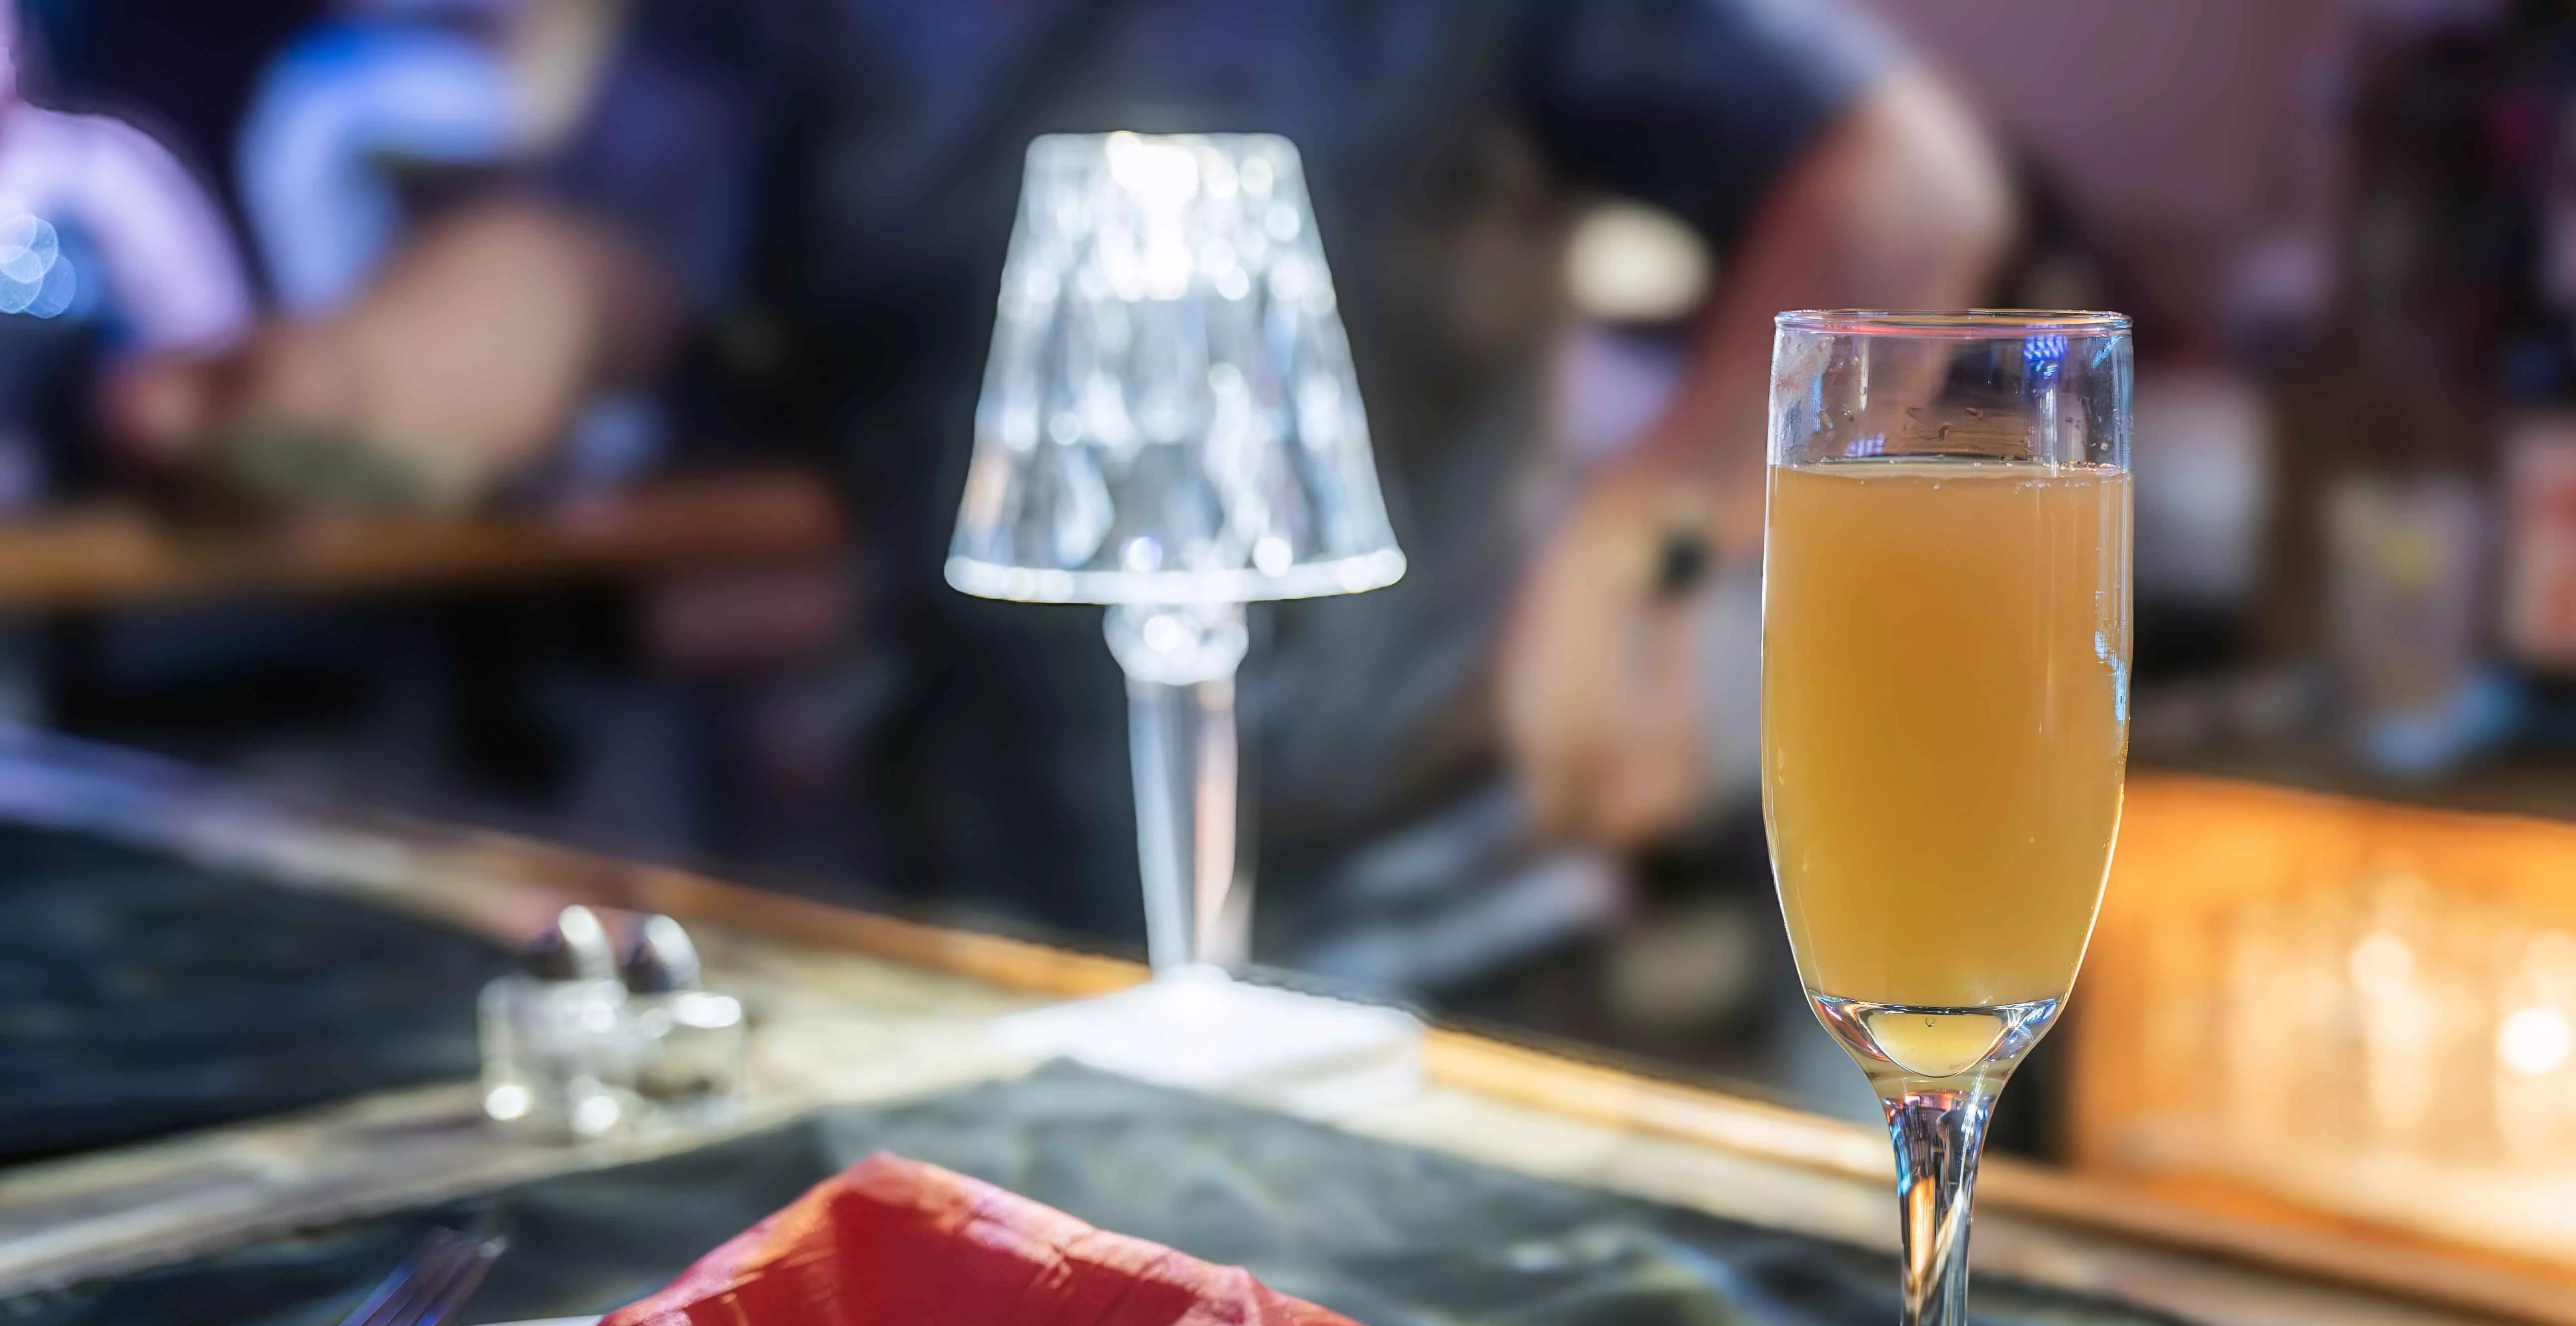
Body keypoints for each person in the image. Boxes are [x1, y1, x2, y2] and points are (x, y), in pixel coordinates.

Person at [114, 0, 2011, 948]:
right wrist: (325, 389)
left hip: (1449, 918)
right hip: (986, 924)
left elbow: (1899, 179)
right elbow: (557, 282)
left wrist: (1656, 528)